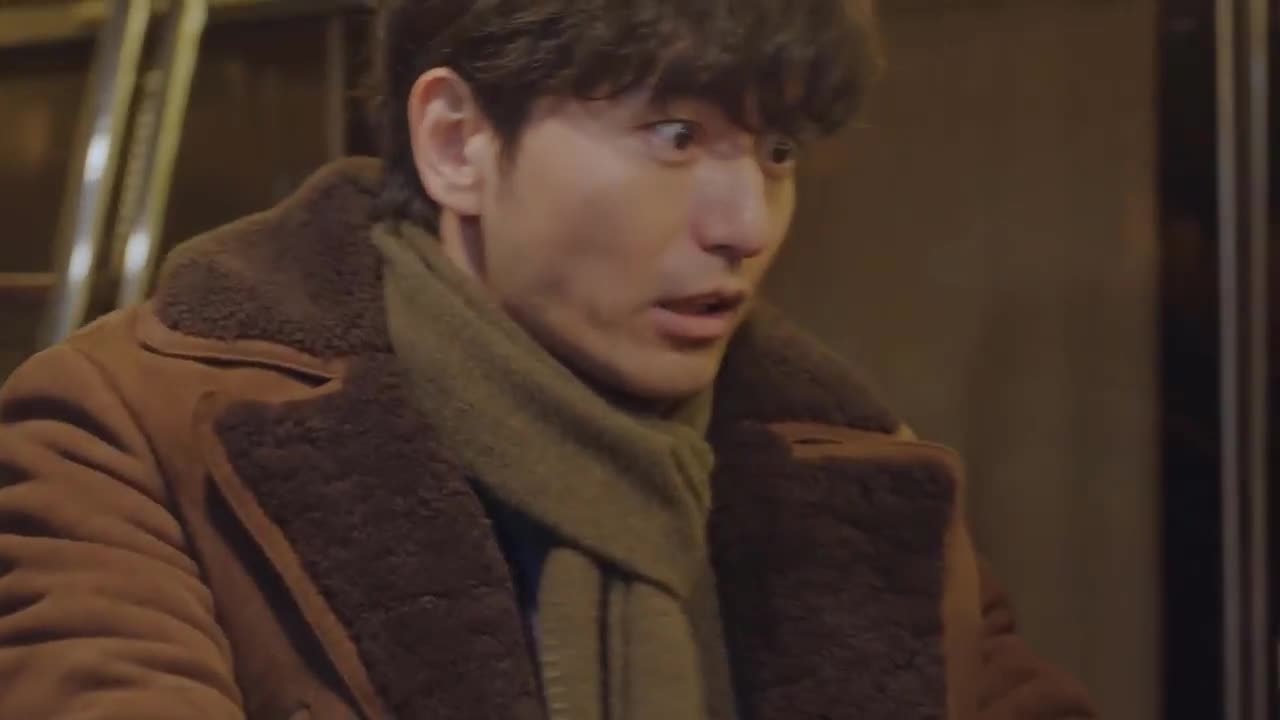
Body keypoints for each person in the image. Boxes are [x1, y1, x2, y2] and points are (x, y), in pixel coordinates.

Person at [0, 1, 1099, 717]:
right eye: (675, 136)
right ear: (457, 143)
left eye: (775, 152)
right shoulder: (136, 434)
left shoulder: (863, 475)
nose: (745, 224)